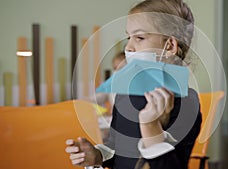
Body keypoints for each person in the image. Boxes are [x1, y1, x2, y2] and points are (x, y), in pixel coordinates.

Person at [65, 0, 202, 168]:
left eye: (140, 37)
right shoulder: (125, 95)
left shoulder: (188, 104)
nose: (128, 47)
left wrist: (151, 127)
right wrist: (98, 156)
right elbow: (116, 147)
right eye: (129, 37)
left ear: (170, 46)